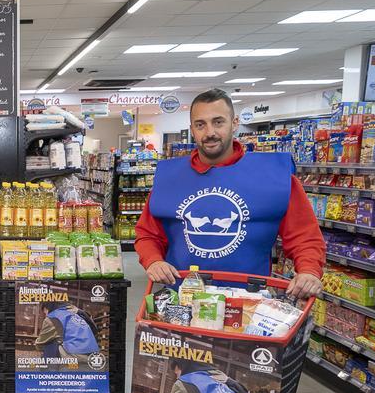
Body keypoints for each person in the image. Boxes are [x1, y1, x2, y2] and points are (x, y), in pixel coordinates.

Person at [134, 88, 324, 299]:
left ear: (234, 123)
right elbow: (148, 233)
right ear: (192, 129)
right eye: (200, 125)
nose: (209, 133)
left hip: (248, 302)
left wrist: (308, 271)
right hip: (182, 298)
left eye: (218, 122)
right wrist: (154, 260)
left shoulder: (274, 177)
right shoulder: (170, 178)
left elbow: (305, 236)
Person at [35, 302, 99, 364]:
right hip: (94, 356)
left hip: (76, 356)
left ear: (46, 308)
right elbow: (95, 329)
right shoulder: (78, 312)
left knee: (49, 346)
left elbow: (40, 344)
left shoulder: (52, 317)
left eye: (45, 312)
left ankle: (50, 373)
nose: (45, 315)